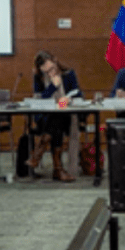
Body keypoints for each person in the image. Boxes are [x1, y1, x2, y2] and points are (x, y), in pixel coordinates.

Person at [27, 50, 81, 182]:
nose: (50, 73)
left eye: (52, 69)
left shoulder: (68, 74)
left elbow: (78, 94)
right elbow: (40, 99)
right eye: (46, 71)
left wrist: (68, 99)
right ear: (41, 70)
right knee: (56, 122)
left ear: (55, 62)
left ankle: (39, 151)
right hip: (45, 117)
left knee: (57, 118)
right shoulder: (38, 77)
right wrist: (53, 86)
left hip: (67, 114)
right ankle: (58, 170)